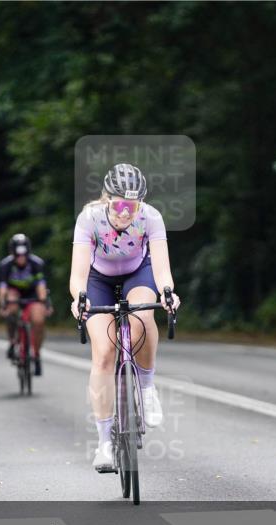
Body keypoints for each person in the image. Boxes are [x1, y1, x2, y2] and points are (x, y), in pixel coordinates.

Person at [69, 163, 180, 472]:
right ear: (107, 200)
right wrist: (79, 299)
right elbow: (78, 274)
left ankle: (147, 388)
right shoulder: (89, 219)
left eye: (133, 206)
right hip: (98, 280)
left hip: (137, 273)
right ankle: (104, 443)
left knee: (143, 314)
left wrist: (168, 292)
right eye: (119, 205)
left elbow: (161, 269)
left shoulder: (151, 217)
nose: (125, 212)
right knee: (104, 352)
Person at [0, 233, 50, 375]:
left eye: (23, 255)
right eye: (18, 255)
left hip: (32, 294)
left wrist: (44, 302)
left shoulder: (36, 263)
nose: (21, 258)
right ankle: (13, 340)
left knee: (38, 320)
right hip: (14, 293)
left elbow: (41, 286)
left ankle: (36, 354)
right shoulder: (5, 265)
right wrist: (3, 304)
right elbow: (3, 288)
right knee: (11, 308)